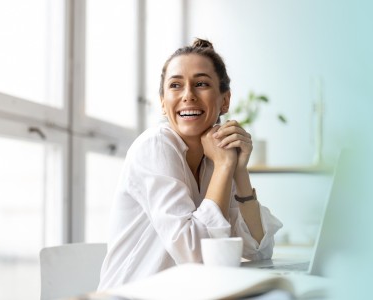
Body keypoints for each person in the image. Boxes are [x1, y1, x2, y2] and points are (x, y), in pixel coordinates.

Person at [97, 38, 282, 290]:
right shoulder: (155, 145)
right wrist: (225, 168)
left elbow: (259, 250)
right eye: (175, 85)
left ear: (225, 101)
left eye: (201, 84)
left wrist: (239, 171)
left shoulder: (215, 157)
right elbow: (195, 255)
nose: (188, 95)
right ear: (163, 102)